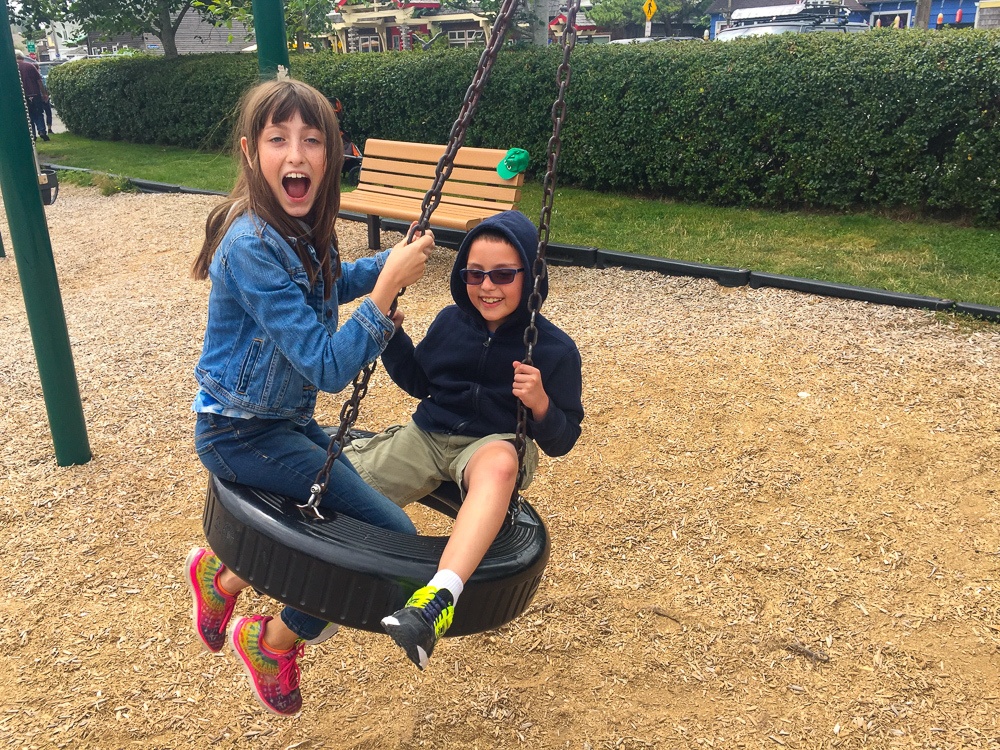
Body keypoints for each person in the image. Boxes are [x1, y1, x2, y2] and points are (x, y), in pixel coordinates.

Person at [184, 78, 435, 716]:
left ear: (330, 158)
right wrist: (381, 304)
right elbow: (327, 367)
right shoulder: (250, 245)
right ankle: (272, 641)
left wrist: (387, 264)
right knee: (388, 541)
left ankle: (224, 577)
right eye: (278, 139)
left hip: (284, 427)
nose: (295, 154)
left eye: (311, 140)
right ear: (250, 151)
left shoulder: (300, 230)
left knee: (350, 527)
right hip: (240, 434)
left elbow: (334, 279)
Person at [343, 210, 584, 670]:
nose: (487, 286)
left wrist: (540, 406)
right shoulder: (452, 323)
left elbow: (563, 438)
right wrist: (394, 339)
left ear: (529, 276)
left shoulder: (553, 349)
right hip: (429, 434)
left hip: (491, 442)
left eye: (503, 274)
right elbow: (420, 380)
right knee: (341, 483)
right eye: (475, 273)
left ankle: (437, 601)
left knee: (500, 465)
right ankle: (303, 596)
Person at [15, 51, 49, 141]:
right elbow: (39, 81)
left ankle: (32, 135)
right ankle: (42, 131)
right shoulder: (30, 66)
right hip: (35, 94)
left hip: (23, 95)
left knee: (28, 116)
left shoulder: (14, 68)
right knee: (38, 113)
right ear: (22, 57)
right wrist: (44, 93)